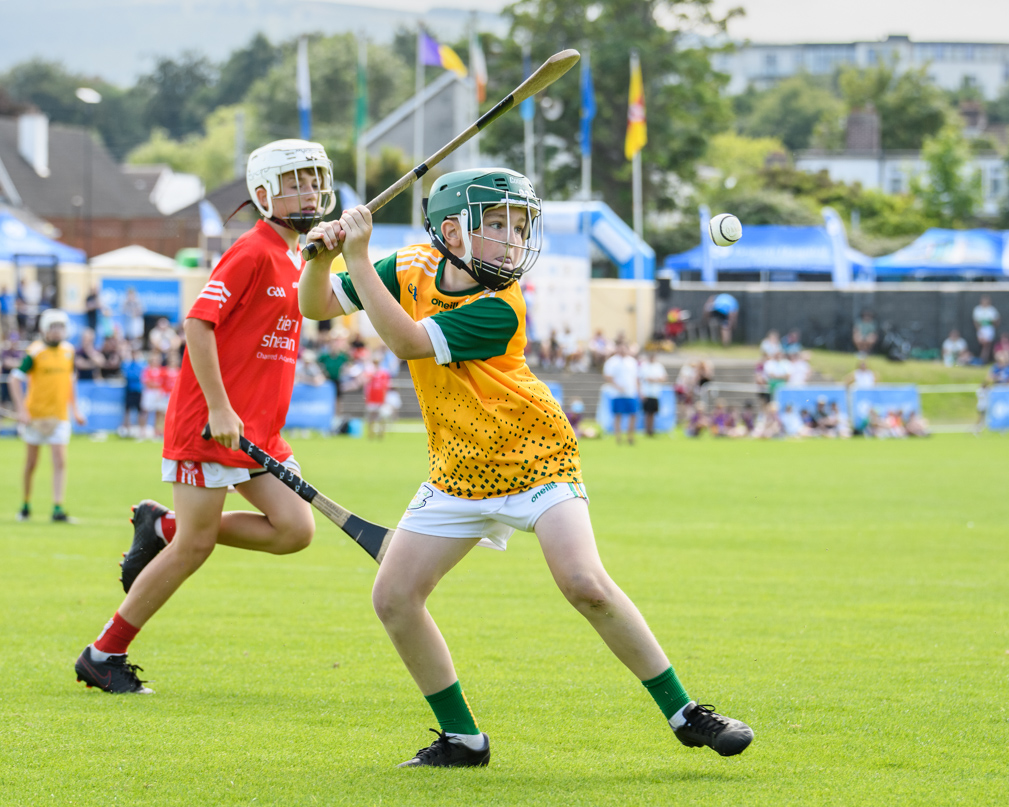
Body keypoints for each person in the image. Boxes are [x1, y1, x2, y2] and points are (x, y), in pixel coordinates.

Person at [298, 167, 753, 767]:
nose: (514, 240)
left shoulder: (501, 305)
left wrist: (356, 253)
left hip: (535, 457)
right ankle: (463, 739)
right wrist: (321, 258)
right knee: (395, 597)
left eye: (520, 226)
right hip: (457, 471)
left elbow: (408, 341)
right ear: (454, 232)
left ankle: (685, 713)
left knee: (584, 585)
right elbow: (317, 307)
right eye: (499, 225)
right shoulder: (408, 266)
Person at [73, 139, 337, 695]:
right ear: (264, 194)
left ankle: (161, 527)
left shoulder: (295, 259)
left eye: (313, 179)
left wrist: (337, 251)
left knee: (293, 530)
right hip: (210, 423)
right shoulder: (253, 250)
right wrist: (220, 405)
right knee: (194, 548)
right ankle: (104, 653)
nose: (309, 190)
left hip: (259, 431)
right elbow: (199, 323)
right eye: (295, 181)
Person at [7, 309, 86, 522]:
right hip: (36, 416)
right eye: (53, 327)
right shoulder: (35, 352)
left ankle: (58, 509)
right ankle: (25, 505)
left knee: (60, 461)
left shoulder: (69, 351)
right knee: (31, 463)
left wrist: (75, 410)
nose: (57, 331)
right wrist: (22, 410)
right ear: (45, 329)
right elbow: (14, 379)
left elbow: (71, 381)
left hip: (59, 416)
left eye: (60, 327)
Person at [603, 340, 640, 445]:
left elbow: (636, 377)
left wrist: (638, 390)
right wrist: (617, 386)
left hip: (630, 393)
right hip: (617, 393)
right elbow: (608, 376)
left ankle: (630, 437)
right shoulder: (612, 362)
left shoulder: (632, 361)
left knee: (633, 415)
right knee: (617, 415)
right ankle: (618, 437)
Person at [119, 347, 148, 438]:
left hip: (139, 390)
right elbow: (128, 374)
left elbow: (139, 376)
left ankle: (141, 431)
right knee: (127, 410)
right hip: (129, 390)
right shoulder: (127, 364)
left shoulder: (142, 365)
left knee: (140, 411)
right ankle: (126, 430)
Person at [362, 351, 392, 440]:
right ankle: (370, 434)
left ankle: (381, 434)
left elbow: (385, 387)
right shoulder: (370, 372)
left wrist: (384, 398)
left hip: (380, 398)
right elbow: (366, 384)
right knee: (371, 417)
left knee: (381, 417)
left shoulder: (384, 373)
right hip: (372, 398)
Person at [638, 351, 667, 437]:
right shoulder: (644, 366)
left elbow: (663, 377)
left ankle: (652, 430)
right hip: (646, 392)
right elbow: (640, 379)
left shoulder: (659, 366)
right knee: (647, 412)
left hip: (655, 392)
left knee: (653, 413)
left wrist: (654, 380)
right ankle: (647, 430)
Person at [972, 295, 1000, 364]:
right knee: (984, 344)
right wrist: (979, 329)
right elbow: (975, 321)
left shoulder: (991, 309)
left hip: (989, 328)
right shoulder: (978, 309)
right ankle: (982, 359)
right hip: (981, 328)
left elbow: (996, 319)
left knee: (987, 345)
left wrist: (993, 326)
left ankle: (983, 360)